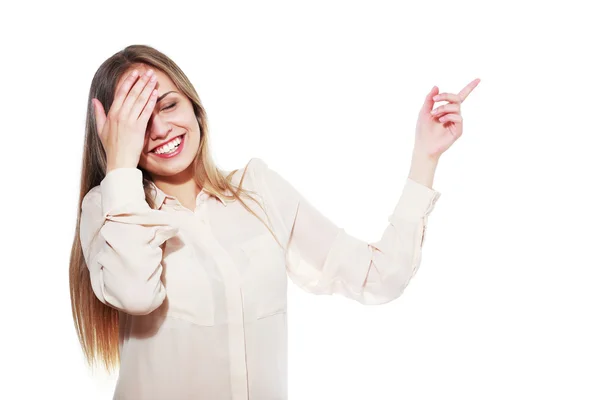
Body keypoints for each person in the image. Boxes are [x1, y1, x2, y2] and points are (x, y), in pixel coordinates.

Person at [68, 44, 479, 399]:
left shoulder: (257, 190)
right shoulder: (106, 209)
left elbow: (379, 276)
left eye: (169, 104)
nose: (159, 128)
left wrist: (425, 156)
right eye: (137, 119)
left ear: (194, 106)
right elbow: (135, 293)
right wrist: (119, 166)